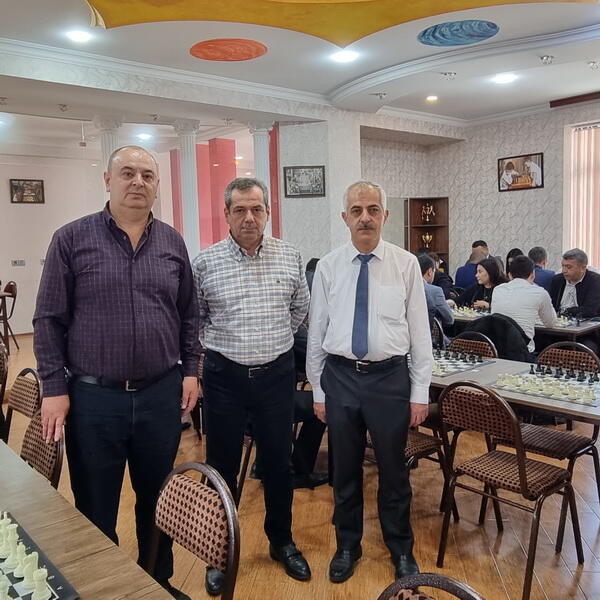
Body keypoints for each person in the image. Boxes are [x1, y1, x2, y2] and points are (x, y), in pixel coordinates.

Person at [33, 146, 200, 600]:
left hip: (160, 395)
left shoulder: (172, 242)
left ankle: (157, 581)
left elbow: (188, 313)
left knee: (158, 499)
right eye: (127, 173)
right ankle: (102, 588)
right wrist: (53, 387)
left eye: (147, 174)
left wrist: (190, 369)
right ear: (108, 180)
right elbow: (48, 319)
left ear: (157, 185)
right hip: (93, 399)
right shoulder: (71, 239)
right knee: (95, 504)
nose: (138, 182)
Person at [307, 180, 433, 583]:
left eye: (373, 209)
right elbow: (317, 333)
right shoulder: (328, 267)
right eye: (357, 210)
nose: (365, 217)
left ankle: (401, 547)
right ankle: (348, 544)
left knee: (394, 470)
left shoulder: (405, 264)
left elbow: (420, 334)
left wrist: (419, 392)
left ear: (385, 216)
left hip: (389, 380)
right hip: (341, 378)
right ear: (345, 217)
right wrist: (319, 389)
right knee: (344, 469)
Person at [193, 177, 311, 595]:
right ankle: (217, 551)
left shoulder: (289, 255)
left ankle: (282, 541)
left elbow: (299, 308)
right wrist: (230, 346)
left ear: (267, 213)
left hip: (276, 375)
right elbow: (198, 318)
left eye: (256, 209)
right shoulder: (205, 263)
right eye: (240, 209)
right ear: (226, 214)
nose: (249, 217)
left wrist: (270, 341)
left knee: (278, 464)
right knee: (220, 467)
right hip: (224, 377)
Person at [491, 255, 556, 354]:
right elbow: (550, 323)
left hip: (495, 350)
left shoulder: (498, 289)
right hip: (522, 352)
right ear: (533, 274)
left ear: (509, 275)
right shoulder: (540, 293)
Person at [549, 249, 600, 318]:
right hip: (558, 321)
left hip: (585, 321)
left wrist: (566, 311)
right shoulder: (557, 280)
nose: (564, 271)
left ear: (583, 268)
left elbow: (590, 310)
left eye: (569, 267)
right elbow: (550, 305)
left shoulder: (595, 281)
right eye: (563, 266)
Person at [418, 254, 454, 332]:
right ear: (430, 271)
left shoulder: (405, 288)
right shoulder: (435, 291)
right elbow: (450, 319)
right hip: (431, 335)